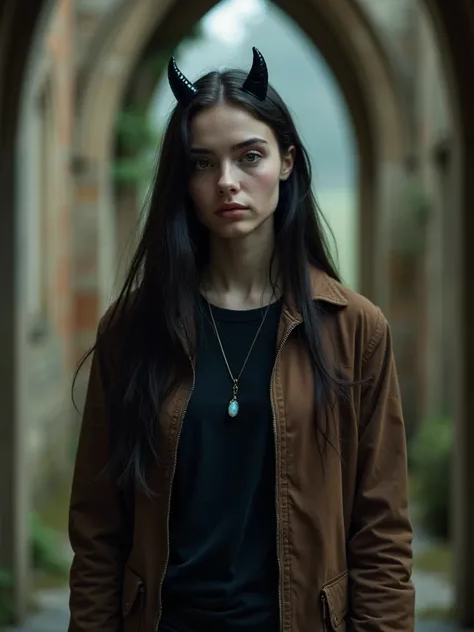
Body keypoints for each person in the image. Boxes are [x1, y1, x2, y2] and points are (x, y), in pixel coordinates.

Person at [68, 47, 414, 632]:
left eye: (248, 156)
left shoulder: (354, 328)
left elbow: (381, 533)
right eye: (202, 164)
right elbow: (99, 529)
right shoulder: (132, 331)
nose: (226, 182)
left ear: (286, 161)